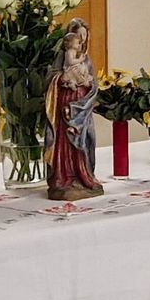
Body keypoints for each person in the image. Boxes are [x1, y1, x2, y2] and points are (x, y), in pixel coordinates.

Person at [45, 18, 104, 201]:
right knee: (66, 139)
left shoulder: (86, 59)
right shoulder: (63, 56)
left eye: (84, 36)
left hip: (83, 105)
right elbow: (52, 77)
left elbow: (94, 80)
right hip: (67, 102)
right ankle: (64, 177)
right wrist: (63, 79)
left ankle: (83, 175)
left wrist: (89, 84)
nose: (81, 40)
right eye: (78, 36)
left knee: (85, 139)